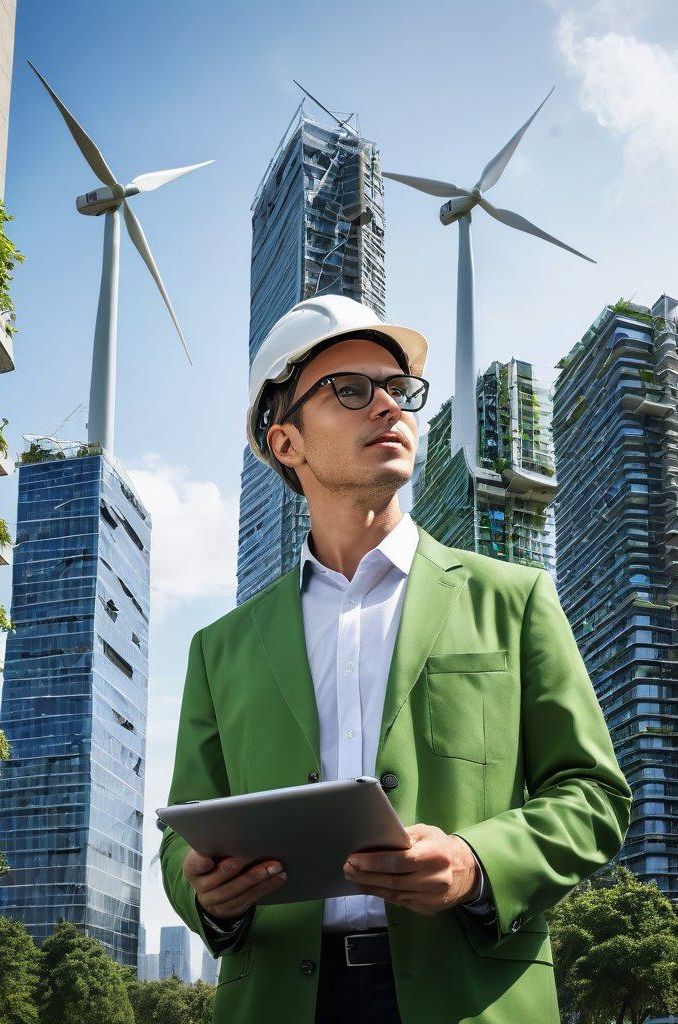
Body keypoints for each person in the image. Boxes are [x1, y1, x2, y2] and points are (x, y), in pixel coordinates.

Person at [159, 294, 632, 1023]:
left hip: (471, 995)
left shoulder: (516, 600)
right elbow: (182, 832)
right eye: (351, 389)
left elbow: (594, 795)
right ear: (286, 444)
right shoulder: (220, 648)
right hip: (280, 998)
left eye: (398, 389)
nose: (388, 407)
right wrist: (205, 895)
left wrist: (479, 863)